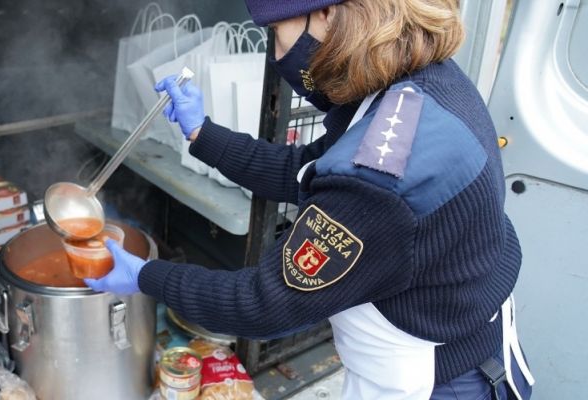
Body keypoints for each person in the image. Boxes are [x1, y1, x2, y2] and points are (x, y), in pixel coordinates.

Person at [86, 0, 535, 398]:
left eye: (276, 35)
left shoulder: (381, 178)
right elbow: (306, 170)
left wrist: (147, 277)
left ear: (327, 14)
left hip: (439, 382)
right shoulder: (417, 86)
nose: (277, 55)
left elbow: (262, 303)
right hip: (459, 339)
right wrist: (203, 133)